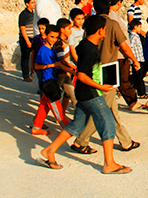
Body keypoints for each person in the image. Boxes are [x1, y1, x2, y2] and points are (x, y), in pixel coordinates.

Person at [39, 15, 132, 174]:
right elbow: (82, 75)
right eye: (104, 29)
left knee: (77, 125)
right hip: (91, 93)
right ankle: (109, 164)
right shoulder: (90, 50)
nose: (105, 31)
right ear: (100, 30)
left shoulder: (84, 44)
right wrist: (101, 86)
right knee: (108, 123)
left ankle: (50, 150)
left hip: (82, 92)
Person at [69, 0, 142, 154]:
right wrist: (134, 60)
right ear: (109, 8)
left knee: (111, 108)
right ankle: (81, 140)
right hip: (109, 70)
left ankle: (125, 141)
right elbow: (124, 46)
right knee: (104, 109)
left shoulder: (90, 23)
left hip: (93, 69)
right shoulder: (113, 24)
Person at [31, 24, 66, 135]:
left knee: (44, 105)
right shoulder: (43, 50)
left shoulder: (52, 49)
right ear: (46, 35)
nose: (54, 40)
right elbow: (36, 66)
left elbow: (59, 64)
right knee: (57, 108)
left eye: (56, 37)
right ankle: (68, 128)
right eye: (51, 37)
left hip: (52, 80)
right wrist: (49, 66)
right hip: (47, 81)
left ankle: (36, 127)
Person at [108, 0, 140, 109]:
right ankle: (132, 102)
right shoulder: (113, 17)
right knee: (123, 80)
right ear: (119, 2)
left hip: (119, 53)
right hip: (120, 53)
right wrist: (133, 58)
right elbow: (120, 39)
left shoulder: (112, 15)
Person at [54, 17, 77, 122]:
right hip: (60, 74)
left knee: (71, 95)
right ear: (62, 30)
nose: (71, 31)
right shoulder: (59, 43)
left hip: (66, 74)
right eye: (69, 28)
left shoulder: (65, 41)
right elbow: (62, 60)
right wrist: (74, 68)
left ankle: (63, 115)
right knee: (52, 98)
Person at [127, 19, 148, 98]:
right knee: (139, 77)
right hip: (136, 59)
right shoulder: (133, 37)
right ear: (135, 27)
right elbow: (130, 47)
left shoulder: (136, 36)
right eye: (139, 27)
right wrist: (131, 58)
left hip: (139, 58)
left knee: (137, 76)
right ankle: (142, 93)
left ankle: (128, 85)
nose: (140, 29)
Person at [18, 0, 36, 82]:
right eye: (32, 3)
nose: (34, 4)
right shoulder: (23, 14)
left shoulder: (34, 13)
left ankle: (32, 73)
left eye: (34, 2)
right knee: (25, 57)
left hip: (33, 37)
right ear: (27, 4)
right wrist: (27, 41)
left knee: (34, 56)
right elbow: (22, 28)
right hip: (25, 38)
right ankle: (25, 75)